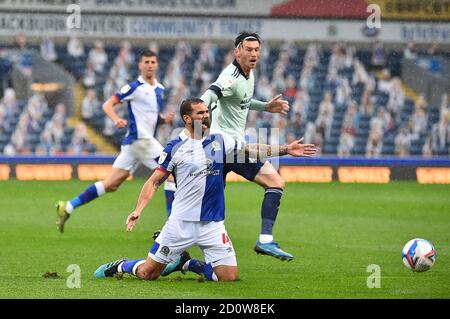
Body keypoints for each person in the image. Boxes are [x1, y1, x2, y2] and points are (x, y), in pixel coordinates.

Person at [93, 98, 316, 281]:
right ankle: (121, 265)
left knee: (228, 278)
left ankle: (188, 263)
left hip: (212, 225)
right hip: (180, 224)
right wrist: (138, 210)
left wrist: (286, 149)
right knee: (148, 273)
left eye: (207, 112)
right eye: (200, 113)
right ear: (187, 118)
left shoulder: (221, 141)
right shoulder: (175, 148)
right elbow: (153, 181)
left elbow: (251, 149)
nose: (206, 116)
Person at [199, 31, 296, 261]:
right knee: (274, 182)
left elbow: (239, 100)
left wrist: (265, 107)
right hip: (222, 146)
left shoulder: (248, 75)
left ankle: (172, 251)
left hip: (228, 148)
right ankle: (265, 241)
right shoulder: (230, 76)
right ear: (237, 52)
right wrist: (200, 114)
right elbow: (211, 94)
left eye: (256, 50)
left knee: (208, 208)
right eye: (249, 50)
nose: (253, 54)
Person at [56, 50, 174, 232]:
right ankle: (173, 228)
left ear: (157, 65)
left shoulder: (160, 89)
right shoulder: (134, 87)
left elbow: (151, 116)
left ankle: (68, 206)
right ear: (140, 65)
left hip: (138, 143)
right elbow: (108, 104)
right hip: (140, 139)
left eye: (153, 62)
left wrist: (163, 120)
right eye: (146, 62)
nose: (150, 65)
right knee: (171, 173)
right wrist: (116, 119)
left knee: (111, 184)